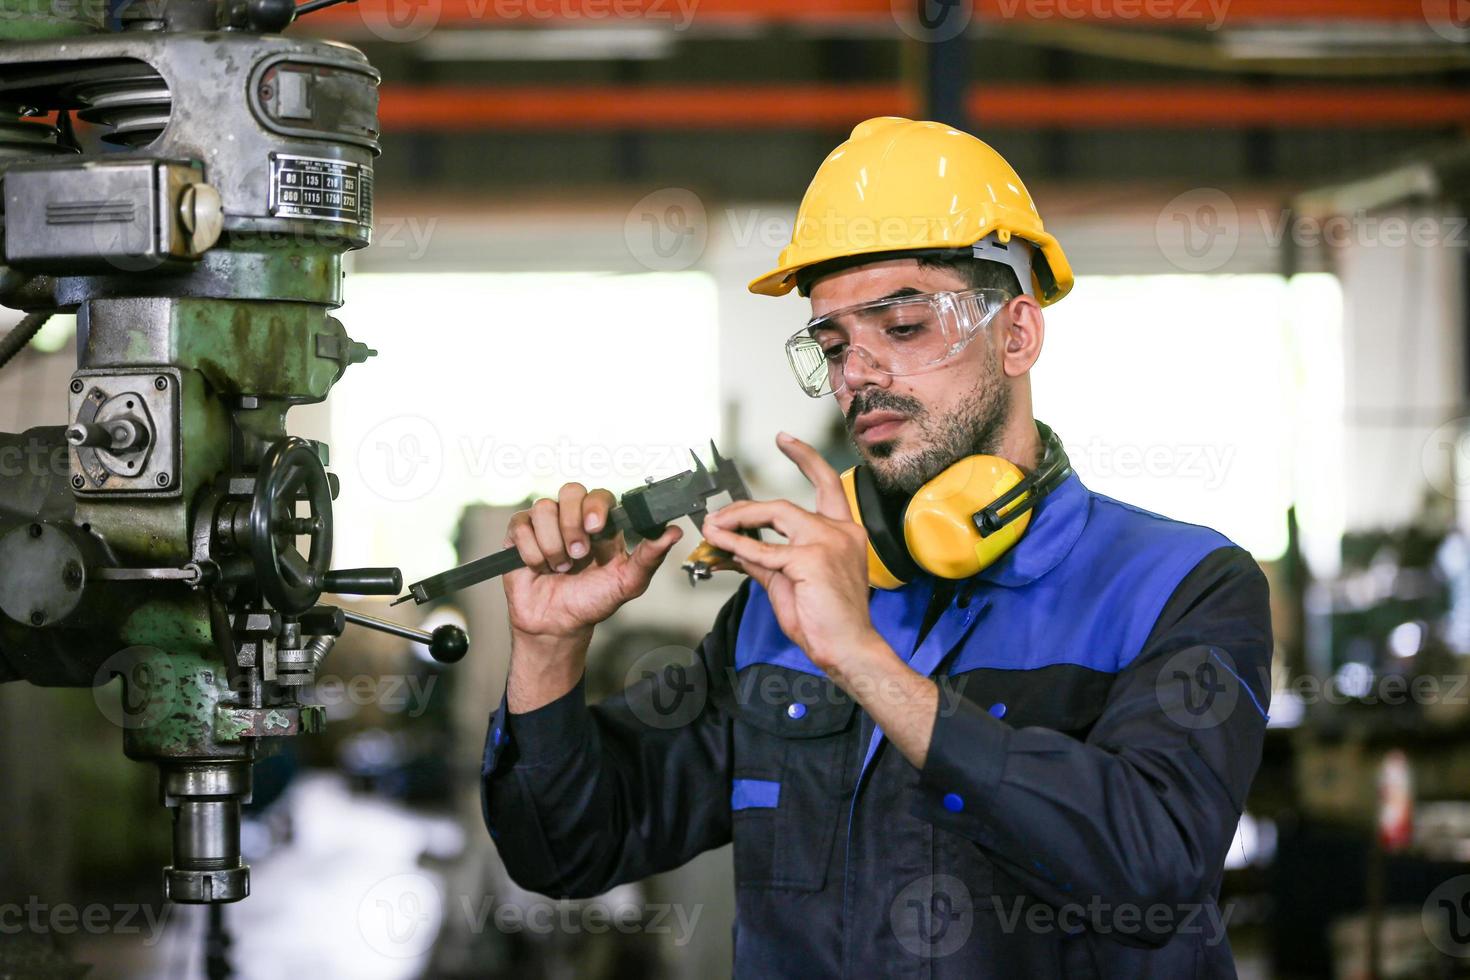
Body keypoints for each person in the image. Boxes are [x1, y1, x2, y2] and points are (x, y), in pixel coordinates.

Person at [480, 116, 1272, 977]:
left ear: (1017, 335)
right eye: (833, 345)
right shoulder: (779, 606)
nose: (858, 374)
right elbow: (568, 852)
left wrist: (864, 661)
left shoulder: (1179, 586)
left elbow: (1154, 867)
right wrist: (548, 654)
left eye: (901, 329)